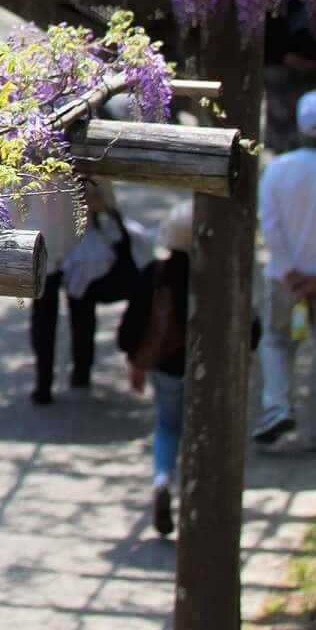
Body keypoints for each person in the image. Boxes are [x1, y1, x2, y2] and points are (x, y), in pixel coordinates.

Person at [255, 87, 316, 450]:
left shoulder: (278, 170)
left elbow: (270, 224)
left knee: (277, 340)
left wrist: (287, 269)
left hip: (284, 279)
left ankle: (277, 406)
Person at [29, 172, 147, 403]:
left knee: (48, 310)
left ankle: (47, 382)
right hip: (72, 242)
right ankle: (77, 373)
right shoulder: (76, 152)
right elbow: (104, 197)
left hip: (52, 239)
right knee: (78, 306)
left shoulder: (26, 155)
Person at [121, 199, 198, 539]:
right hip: (208, 365)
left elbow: (135, 323)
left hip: (165, 366)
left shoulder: (155, 274)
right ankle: (197, 494)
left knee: (167, 426)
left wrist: (136, 362)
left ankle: (163, 478)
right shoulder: (217, 276)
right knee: (202, 430)